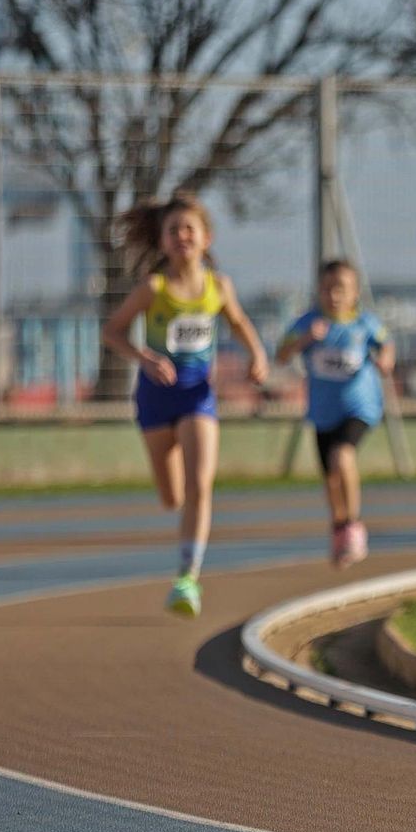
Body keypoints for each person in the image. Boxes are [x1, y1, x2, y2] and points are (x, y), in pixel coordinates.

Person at [101, 192, 269, 617]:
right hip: (156, 398)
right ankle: (184, 551)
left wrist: (257, 356)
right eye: (173, 230)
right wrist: (145, 357)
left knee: (199, 486)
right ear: (161, 241)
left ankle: (187, 579)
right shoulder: (153, 288)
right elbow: (113, 332)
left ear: (206, 238)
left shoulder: (218, 286)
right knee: (171, 496)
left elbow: (238, 321)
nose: (182, 236)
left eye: (189, 229)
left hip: (198, 396)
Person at [276, 260, 395, 567]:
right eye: (327, 288)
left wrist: (385, 361)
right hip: (323, 412)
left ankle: (354, 524)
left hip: (360, 407)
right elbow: (281, 355)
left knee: (342, 457)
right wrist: (306, 340)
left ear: (355, 292)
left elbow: (386, 345)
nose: (334, 295)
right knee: (330, 478)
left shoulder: (364, 324)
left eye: (341, 288)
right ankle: (339, 529)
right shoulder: (308, 323)